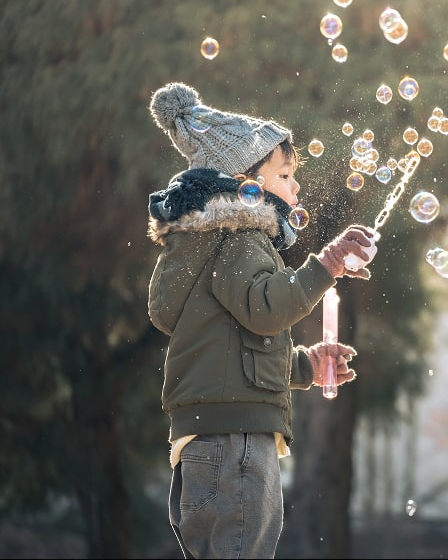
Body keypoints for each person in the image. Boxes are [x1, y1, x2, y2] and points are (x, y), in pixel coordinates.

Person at [146, 81, 377, 559]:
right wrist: (328, 263)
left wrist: (305, 366)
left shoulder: (209, 245)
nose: (296, 186)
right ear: (244, 183)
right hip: (237, 442)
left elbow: (237, 345)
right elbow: (267, 309)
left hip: (209, 435)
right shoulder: (238, 237)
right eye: (285, 174)